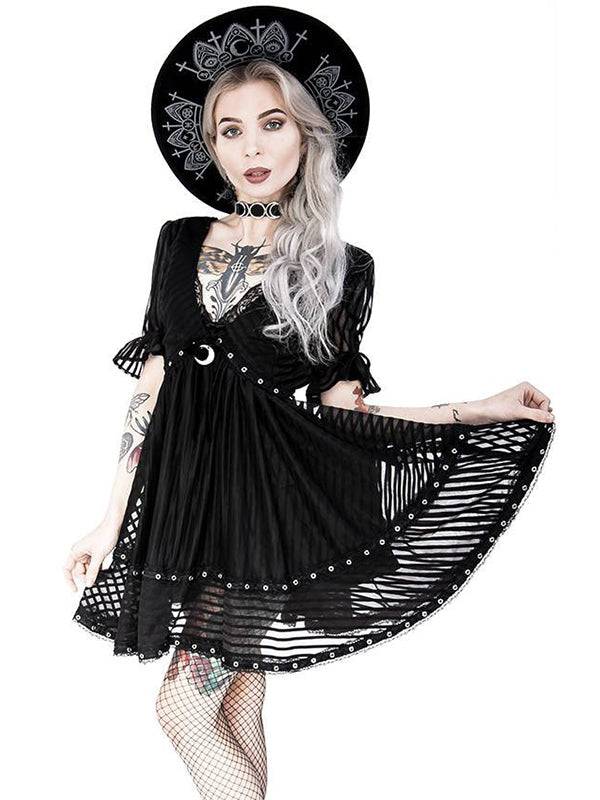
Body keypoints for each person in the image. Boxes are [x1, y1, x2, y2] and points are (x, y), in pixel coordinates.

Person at [62, 7, 556, 799]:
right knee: (235, 706)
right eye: (230, 131)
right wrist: (109, 518)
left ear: (307, 137)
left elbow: (346, 416)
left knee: (183, 710)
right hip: (184, 508)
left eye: (272, 124)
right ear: (210, 145)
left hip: (264, 513)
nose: (252, 148)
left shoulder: (340, 267)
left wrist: (473, 410)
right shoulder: (178, 240)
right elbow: (150, 394)